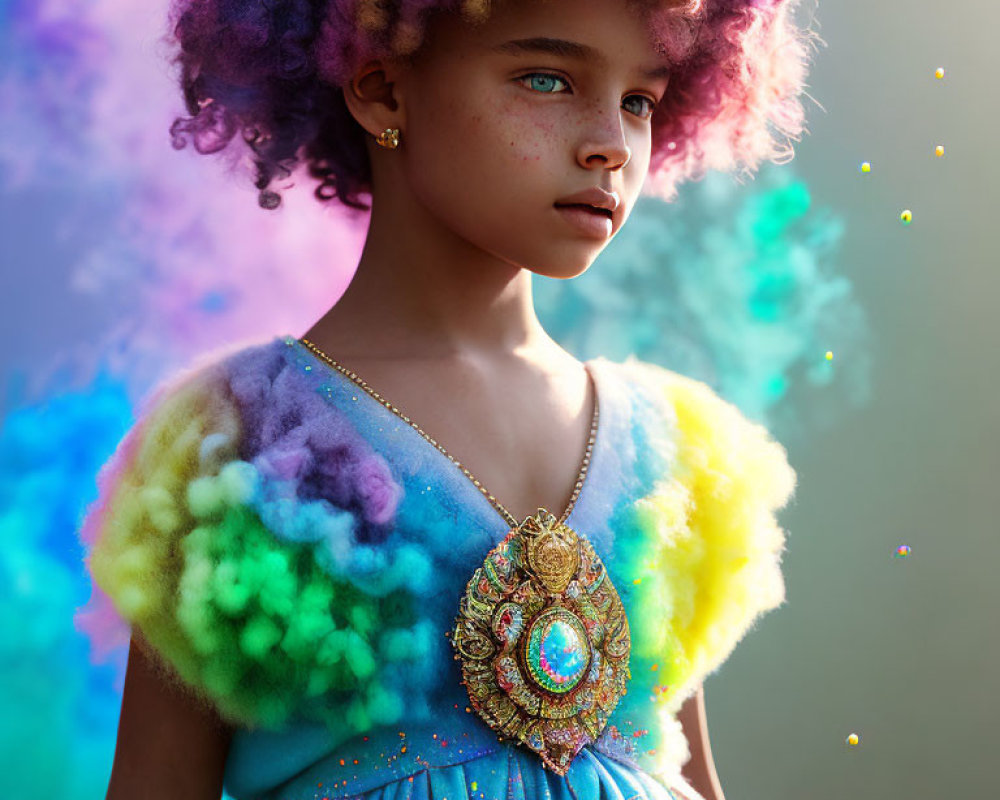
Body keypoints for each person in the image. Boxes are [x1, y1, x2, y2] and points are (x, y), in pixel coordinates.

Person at [80, 0, 812, 798]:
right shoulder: (237, 446)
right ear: (382, 92)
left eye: (639, 100)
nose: (610, 143)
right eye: (548, 79)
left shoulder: (673, 458)